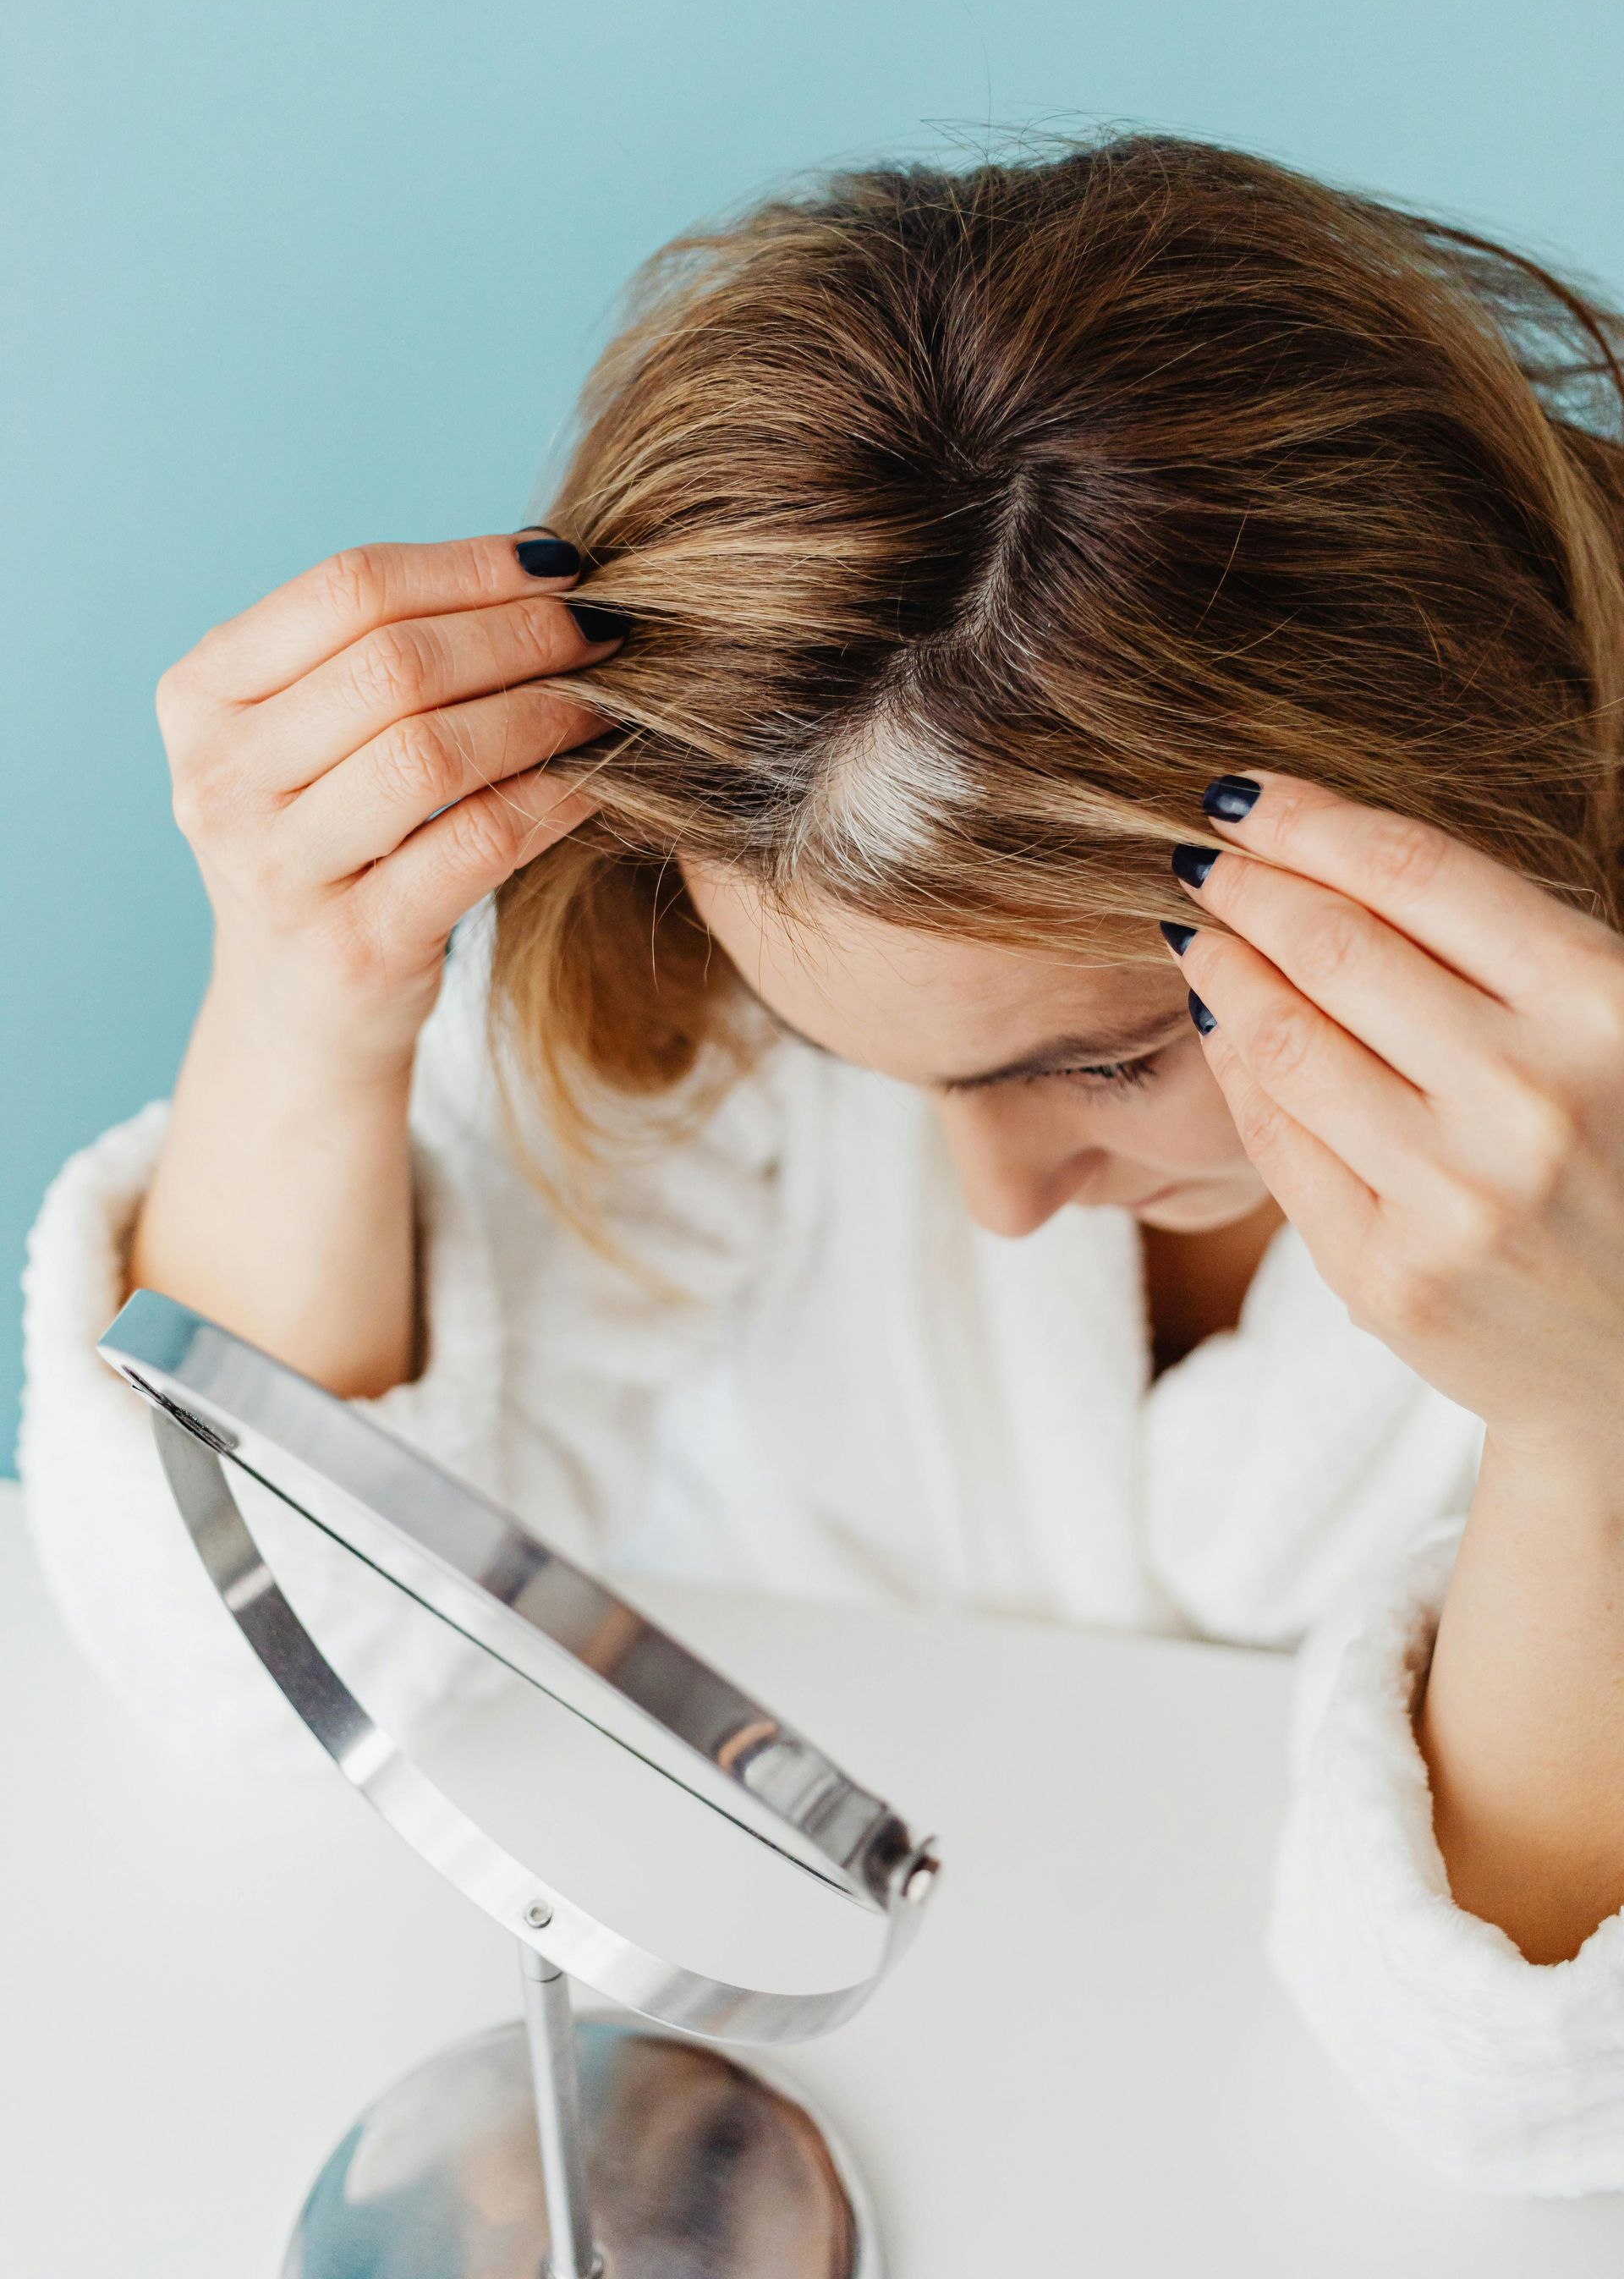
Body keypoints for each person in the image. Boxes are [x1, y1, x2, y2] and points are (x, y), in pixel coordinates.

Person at [20, 134, 1624, 2194]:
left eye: (1112, 1062)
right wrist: (301, 999)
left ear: (1463, 828)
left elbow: (1524, 2094)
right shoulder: (693, 1022)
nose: (994, 1203)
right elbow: (235, 1662)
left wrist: (1590, 1424)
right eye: (867, 1066)